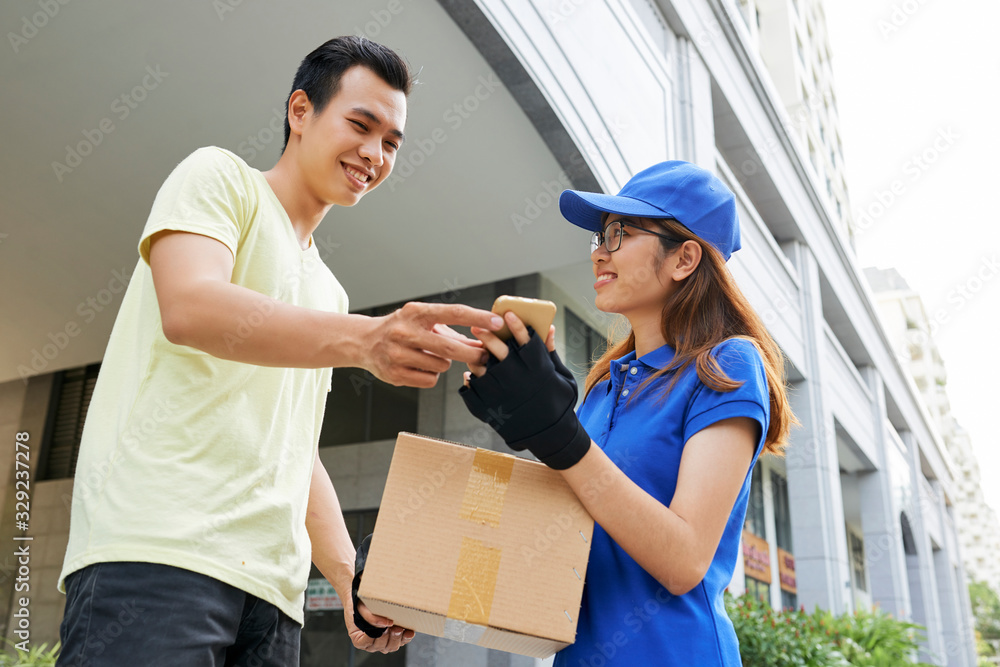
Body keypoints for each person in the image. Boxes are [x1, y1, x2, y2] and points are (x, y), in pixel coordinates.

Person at [56, 36, 506, 666]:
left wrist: (352, 578)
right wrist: (366, 339)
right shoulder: (219, 179)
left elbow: (295, 448)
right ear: (301, 111)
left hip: (272, 601)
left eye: (392, 143)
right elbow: (189, 306)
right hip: (158, 555)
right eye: (361, 124)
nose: (374, 154)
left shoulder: (329, 291)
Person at [459, 161, 796, 665]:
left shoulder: (727, 364)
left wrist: (562, 438)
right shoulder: (602, 388)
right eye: (599, 236)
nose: (598, 252)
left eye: (619, 233)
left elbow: (684, 560)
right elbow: (560, 542)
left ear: (684, 258)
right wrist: (411, 561)